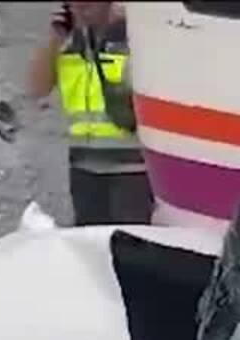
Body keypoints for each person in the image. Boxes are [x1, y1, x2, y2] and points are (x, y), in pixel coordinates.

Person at [27, 2, 154, 225]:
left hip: (133, 168)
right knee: (88, 241)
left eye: (87, 5)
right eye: (75, 6)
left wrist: (131, 24)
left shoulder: (134, 35)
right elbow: (37, 88)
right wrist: (54, 39)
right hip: (84, 167)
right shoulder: (68, 43)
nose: (80, 9)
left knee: (129, 241)